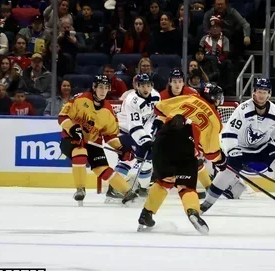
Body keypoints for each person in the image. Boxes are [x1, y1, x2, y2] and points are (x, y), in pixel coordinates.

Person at [200, 79, 275, 217]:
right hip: (241, 148)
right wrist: (232, 150)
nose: (261, 95)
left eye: (264, 92)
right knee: (227, 172)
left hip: (264, 147)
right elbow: (229, 133)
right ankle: (206, 204)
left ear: (269, 94)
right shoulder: (243, 110)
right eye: (259, 92)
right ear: (253, 93)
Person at [137, 83, 226, 234]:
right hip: (185, 145)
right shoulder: (215, 119)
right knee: (186, 186)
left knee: (165, 181)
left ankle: (147, 214)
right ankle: (192, 212)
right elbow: (211, 153)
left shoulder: (190, 98)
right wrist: (221, 160)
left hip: (162, 139)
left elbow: (158, 108)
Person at [58, 75, 138, 205]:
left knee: (102, 168)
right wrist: (73, 129)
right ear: (94, 87)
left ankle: (128, 192)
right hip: (71, 139)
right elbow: (62, 116)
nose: (103, 90)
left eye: (106, 88)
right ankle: (80, 190)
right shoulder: (80, 98)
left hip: (93, 142)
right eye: (100, 87)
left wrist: (120, 149)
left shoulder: (108, 110)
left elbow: (110, 135)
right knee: (80, 152)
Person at [106, 73, 160, 201]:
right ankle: (113, 189)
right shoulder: (131, 100)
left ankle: (143, 189)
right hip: (126, 131)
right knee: (128, 158)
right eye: (142, 86)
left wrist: (158, 123)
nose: (145, 89)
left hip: (142, 131)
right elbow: (134, 126)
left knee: (147, 160)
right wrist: (146, 141)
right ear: (137, 86)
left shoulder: (156, 96)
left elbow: (157, 114)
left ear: (152, 85)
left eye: (148, 85)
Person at [159, 69, 212, 198]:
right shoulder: (161, 96)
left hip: (188, 130)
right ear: (170, 82)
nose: (178, 84)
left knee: (194, 160)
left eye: (180, 81)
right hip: (168, 132)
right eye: (175, 81)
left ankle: (209, 187)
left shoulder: (192, 94)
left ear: (184, 82)